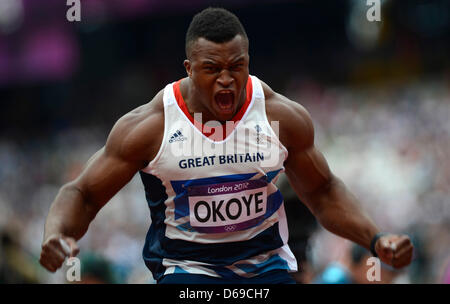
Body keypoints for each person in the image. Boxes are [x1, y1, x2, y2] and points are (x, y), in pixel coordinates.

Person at [39, 7, 414, 284]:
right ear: (188, 68)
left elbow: (323, 190)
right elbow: (83, 194)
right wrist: (57, 234)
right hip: (189, 274)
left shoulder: (279, 117)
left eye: (236, 66)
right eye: (211, 68)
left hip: (266, 271)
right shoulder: (150, 127)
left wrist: (375, 238)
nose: (226, 80)